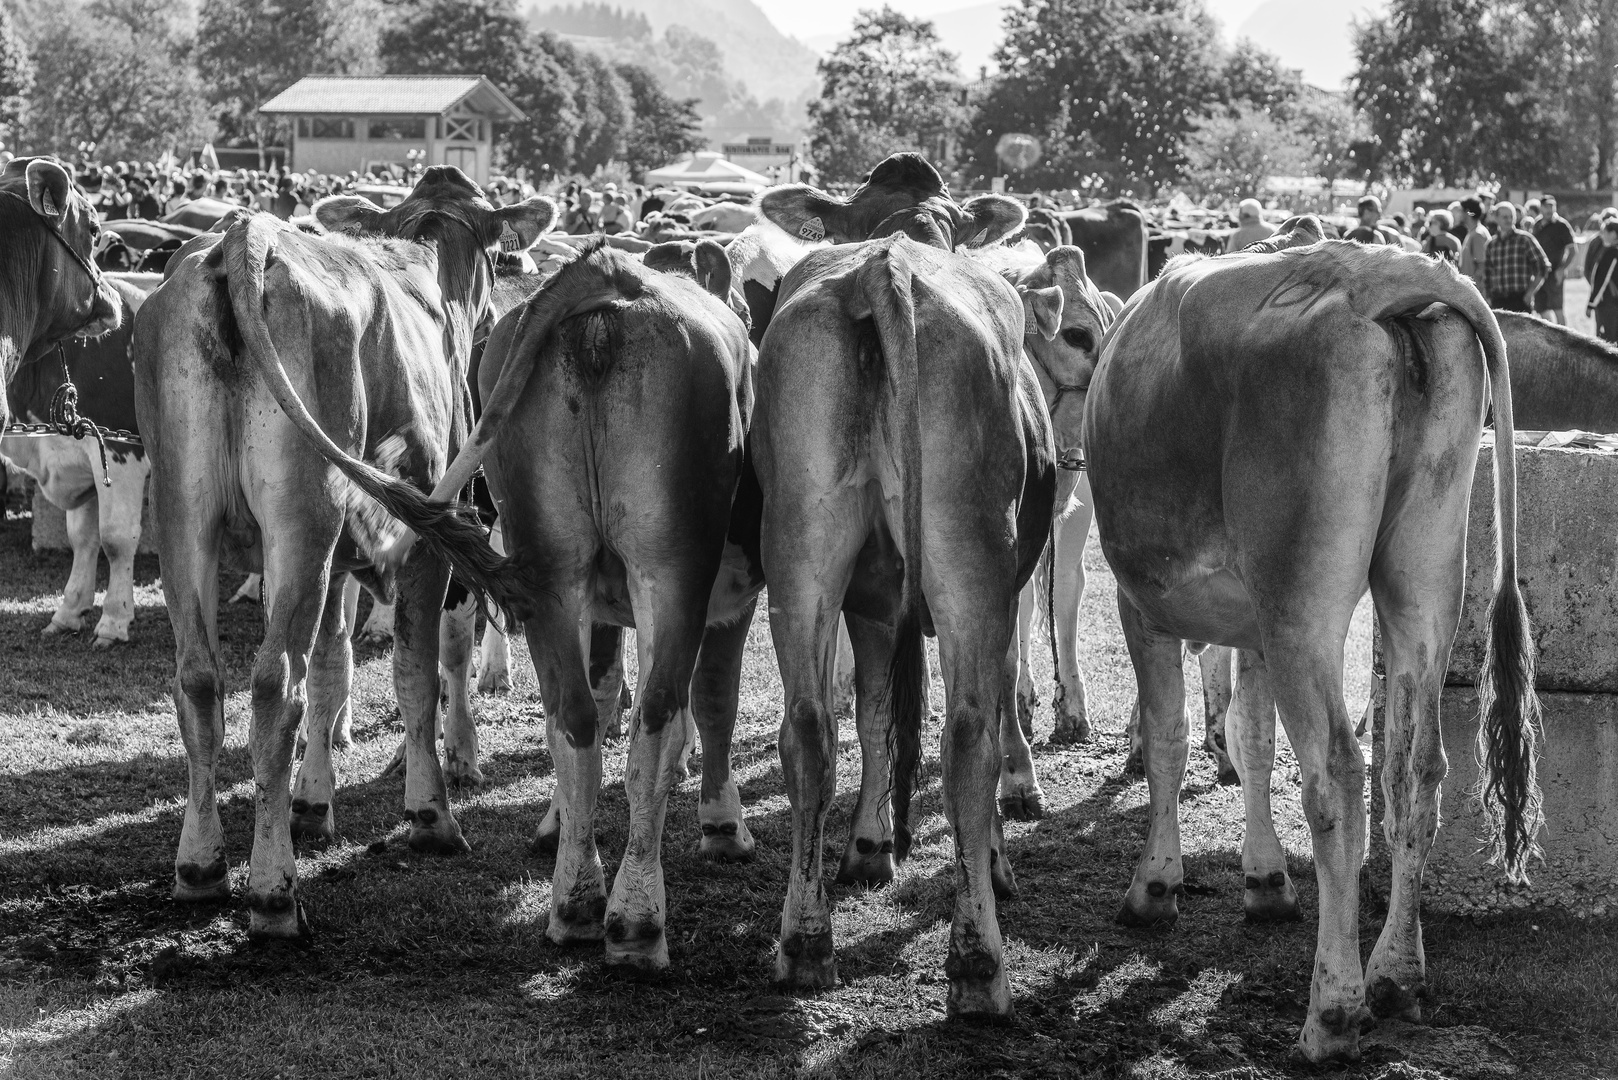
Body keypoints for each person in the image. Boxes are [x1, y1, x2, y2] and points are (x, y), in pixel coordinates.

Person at [1482, 201, 1551, 312]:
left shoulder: (1524, 240)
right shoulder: (1491, 245)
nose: (1509, 220)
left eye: (1511, 217)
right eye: (1505, 217)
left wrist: (1530, 293)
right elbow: (1487, 275)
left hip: (1520, 299)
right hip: (1498, 301)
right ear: (1496, 218)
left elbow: (1543, 266)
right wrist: (1488, 297)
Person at [1530, 194, 1576, 324]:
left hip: (1555, 273)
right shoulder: (1536, 225)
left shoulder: (1562, 225)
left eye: (1552, 206)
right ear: (1541, 207)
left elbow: (1573, 250)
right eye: (1546, 206)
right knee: (1541, 309)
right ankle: (1550, 337)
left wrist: (1562, 269)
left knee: (1558, 310)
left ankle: (1565, 340)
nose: (1549, 209)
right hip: (1539, 273)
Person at [1587, 219, 1618, 342]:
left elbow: (1602, 280)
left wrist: (1591, 304)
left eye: (1604, 231)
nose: (1601, 235)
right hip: (1612, 303)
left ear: (1613, 234)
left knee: (1607, 343)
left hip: (1608, 304)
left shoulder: (1612, 253)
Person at [1456, 197, 1491, 289]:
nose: (1458, 214)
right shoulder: (1473, 232)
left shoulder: (1477, 234)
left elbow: (1482, 267)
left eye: (1460, 210)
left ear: (1467, 212)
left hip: (1475, 292)